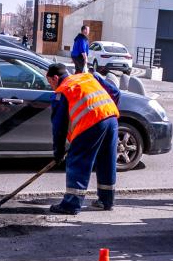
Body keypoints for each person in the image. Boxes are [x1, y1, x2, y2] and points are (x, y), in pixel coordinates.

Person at [45, 62, 121, 215]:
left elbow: (58, 128)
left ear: (55, 77)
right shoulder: (88, 77)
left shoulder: (63, 91)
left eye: (50, 82)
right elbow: (116, 93)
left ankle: (71, 204)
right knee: (106, 159)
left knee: (78, 160)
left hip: (91, 124)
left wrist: (58, 152)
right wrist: (106, 113)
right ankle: (106, 201)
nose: (51, 86)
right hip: (111, 118)